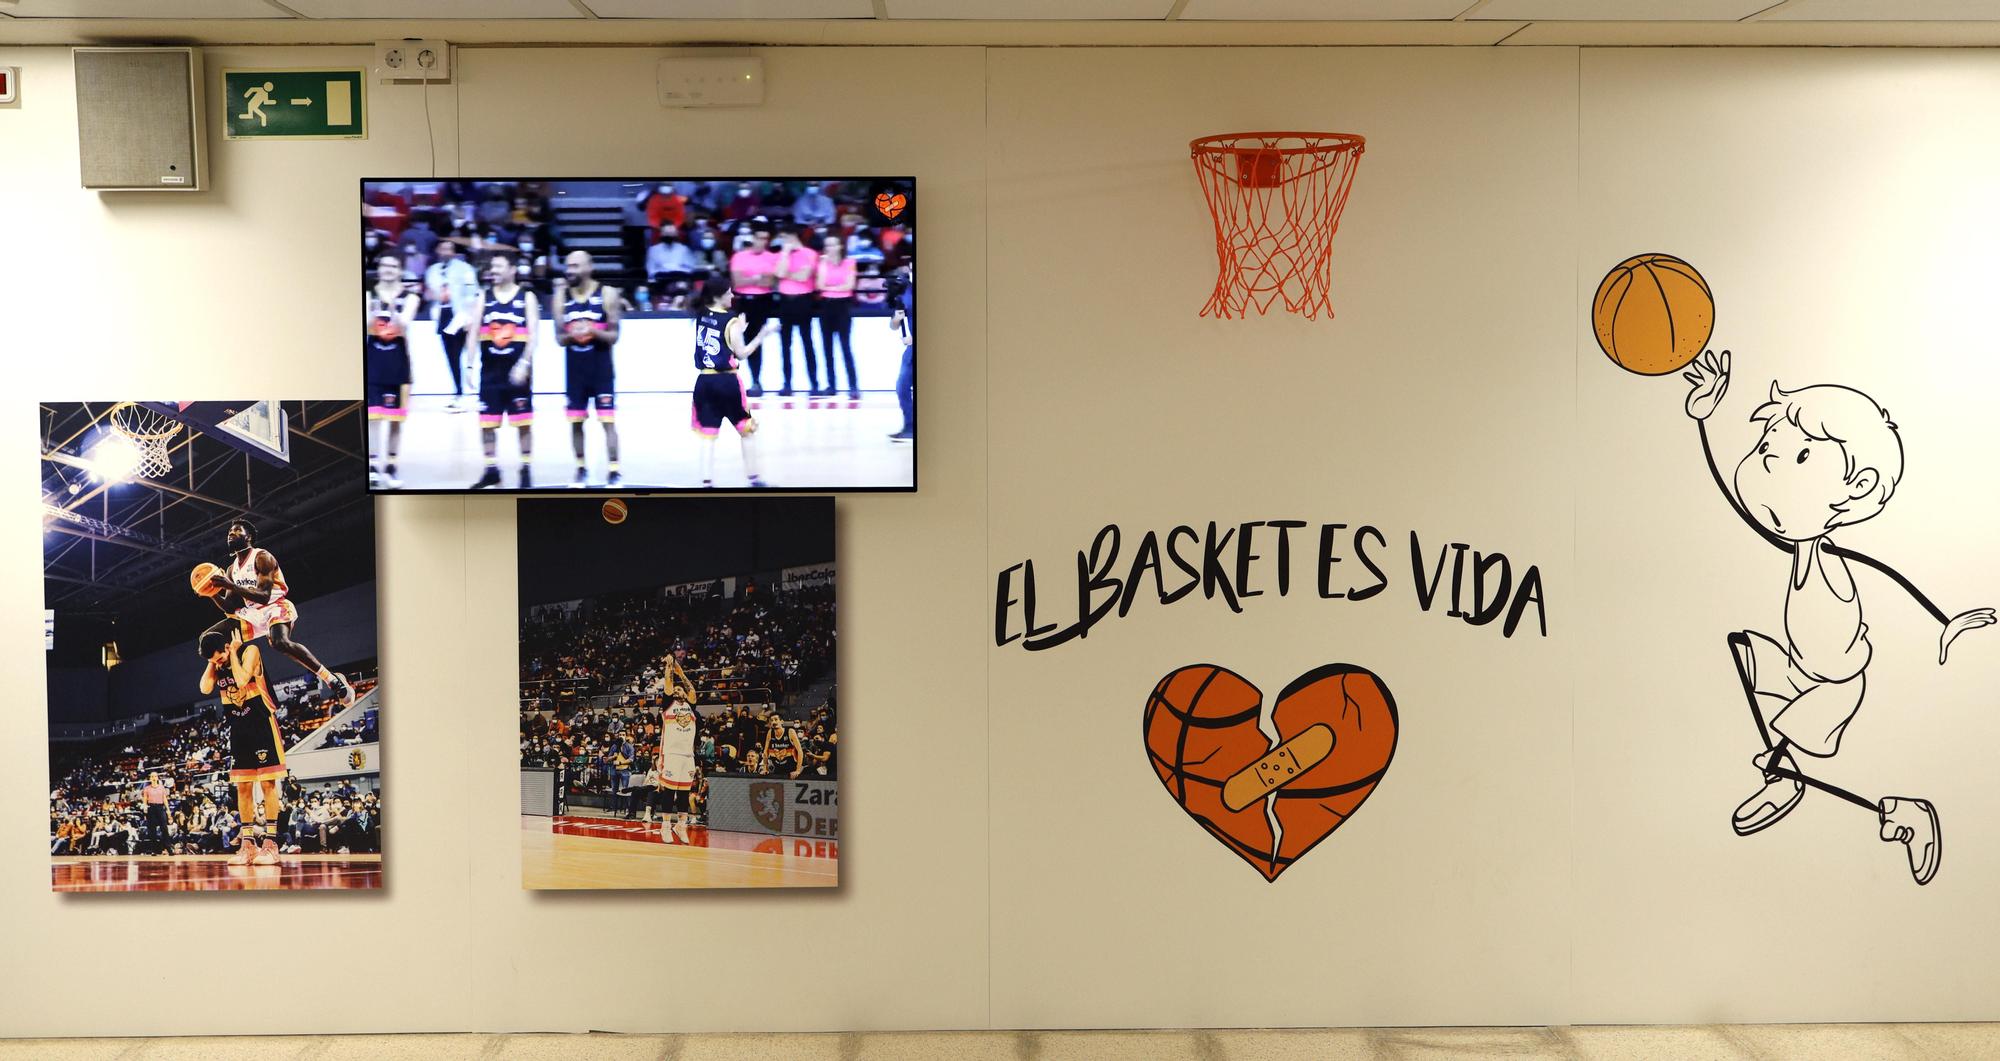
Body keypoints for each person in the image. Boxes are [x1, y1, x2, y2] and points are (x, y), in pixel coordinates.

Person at [1683, 350, 1995, 886]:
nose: (1769, 464)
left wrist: (1947, 623)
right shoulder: (1801, 545)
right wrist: (1706, 418)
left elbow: (1891, 576)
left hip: (1834, 684)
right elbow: (1736, 502)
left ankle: (1900, 812)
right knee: (1745, 651)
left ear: (1857, 488)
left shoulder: (1829, 559)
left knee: (1792, 739)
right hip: (1806, 669)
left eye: (1799, 456)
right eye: (1766, 449)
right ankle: (1786, 772)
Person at [198, 519, 354, 706]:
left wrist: (230, 585)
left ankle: (331, 679)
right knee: (208, 637)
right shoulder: (232, 569)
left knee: (279, 642)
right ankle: (231, 672)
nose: (231, 534)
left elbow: (264, 596)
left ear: (249, 537)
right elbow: (230, 607)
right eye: (229, 532)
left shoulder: (262, 557)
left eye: (236, 531)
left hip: (275, 606)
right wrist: (212, 594)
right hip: (251, 614)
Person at [198, 627, 285, 867]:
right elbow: (205, 688)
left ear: (227, 646)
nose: (219, 662)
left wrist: (233, 654)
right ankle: (248, 846)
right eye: (215, 660)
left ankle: (271, 845)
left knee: (268, 784)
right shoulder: (216, 663)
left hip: (261, 723)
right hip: (239, 729)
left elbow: (242, 679)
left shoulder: (250, 650)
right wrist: (212, 662)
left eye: (220, 656)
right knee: (243, 788)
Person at [690, 277, 775, 488]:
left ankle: (706, 482)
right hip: (727, 381)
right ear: (719, 296)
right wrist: (762, 335)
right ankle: (754, 479)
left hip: (704, 381)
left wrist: (739, 331)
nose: (732, 296)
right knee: (746, 430)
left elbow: (719, 339)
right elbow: (742, 353)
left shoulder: (701, 314)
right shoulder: (731, 320)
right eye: (729, 293)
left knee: (708, 434)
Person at [470, 251, 541, 490]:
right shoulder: (484, 296)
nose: (494, 271)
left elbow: (533, 335)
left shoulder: (526, 296)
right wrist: (469, 365)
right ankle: (491, 471)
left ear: (512, 269)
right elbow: (472, 333)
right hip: (490, 372)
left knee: (523, 423)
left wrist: (524, 363)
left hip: (517, 372)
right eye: (492, 267)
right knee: (487, 424)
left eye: (499, 266)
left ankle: (525, 469)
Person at [554, 251, 623, 489]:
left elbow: (614, 336)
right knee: (575, 422)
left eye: (575, 266)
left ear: (589, 268)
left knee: (608, 421)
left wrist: (593, 331)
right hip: (575, 371)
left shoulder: (607, 293)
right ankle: (580, 469)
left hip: (601, 368)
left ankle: (614, 471)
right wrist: (572, 334)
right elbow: (559, 338)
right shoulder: (561, 296)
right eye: (567, 266)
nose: (569, 270)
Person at [366, 252, 419, 488]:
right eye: (384, 265)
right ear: (379, 269)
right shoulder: (368, 294)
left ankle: (392, 467)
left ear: (400, 271)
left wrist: (385, 310)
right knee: (373, 419)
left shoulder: (411, 297)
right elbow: (367, 325)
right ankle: (374, 467)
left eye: (393, 266)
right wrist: (378, 315)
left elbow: (402, 325)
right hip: (373, 363)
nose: (388, 269)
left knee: (396, 421)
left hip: (399, 366)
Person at [423, 238, 482, 413]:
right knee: (452, 357)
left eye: (450, 249)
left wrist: (470, 317)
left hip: (462, 315)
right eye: (443, 248)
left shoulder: (465, 269)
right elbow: (429, 294)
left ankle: (477, 392)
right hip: (443, 314)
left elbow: (473, 292)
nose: (446, 252)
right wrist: (431, 295)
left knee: (471, 354)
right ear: (438, 251)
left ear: (454, 252)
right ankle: (459, 393)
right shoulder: (432, 271)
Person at [727, 220, 781, 397]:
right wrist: (758, 278)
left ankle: (756, 381)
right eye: (759, 238)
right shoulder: (739, 256)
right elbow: (738, 281)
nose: (763, 242)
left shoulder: (772, 257)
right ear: (752, 238)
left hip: (762, 302)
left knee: (755, 340)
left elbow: (770, 281)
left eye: (766, 238)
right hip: (742, 302)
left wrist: (751, 278)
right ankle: (731, 381)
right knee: (735, 341)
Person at [773, 226, 824, 396]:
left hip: (803, 300)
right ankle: (787, 384)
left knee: (807, 342)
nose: (783, 242)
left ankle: (814, 384)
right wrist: (786, 253)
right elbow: (779, 273)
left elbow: (804, 277)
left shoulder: (810, 253)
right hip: (785, 301)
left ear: (793, 236)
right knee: (785, 345)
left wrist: (788, 274)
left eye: (785, 237)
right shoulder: (782, 254)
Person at [651, 687, 701, 844]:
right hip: (671, 753)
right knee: (670, 791)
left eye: (680, 689)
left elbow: (692, 690)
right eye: (675, 690)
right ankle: (665, 826)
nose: (676, 691)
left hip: (688, 755)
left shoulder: (690, 706)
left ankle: (681, 825)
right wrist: (670, 666)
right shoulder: (668, 704)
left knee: (684, 792)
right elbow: (668, 686)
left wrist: (679, 671)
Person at [815, 235, 860, 400]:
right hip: (826, 306)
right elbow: (819, 285)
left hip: (843, 307)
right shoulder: (822, 264)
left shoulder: (850, 263)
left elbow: (850, 285)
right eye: (827, 245)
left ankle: (853, 386)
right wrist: (836, 287)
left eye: (833, 244)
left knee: (845, 347)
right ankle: (831, 385)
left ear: (840, 246)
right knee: (827, 348)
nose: (830, 248)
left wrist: (830, 287)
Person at [888, 262, 915, 442]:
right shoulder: (904, 289)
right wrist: (897, 320)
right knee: (902, 386)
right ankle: (910, 426)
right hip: (911, 349)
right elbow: (893, 325)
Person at [140, 774, 170, 855]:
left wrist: (168, 810)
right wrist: (145, 808)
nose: (153, 778)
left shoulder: (161, 787)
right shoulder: (147, 788)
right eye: (152, 776)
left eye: (155, 776)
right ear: (150, 778)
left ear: (157, 778)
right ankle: (154, 850)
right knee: (152, 829)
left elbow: (164, 799)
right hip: (151, 808)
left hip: (160, 807)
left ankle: (168, 848)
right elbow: (145, 800)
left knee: (164, 828)